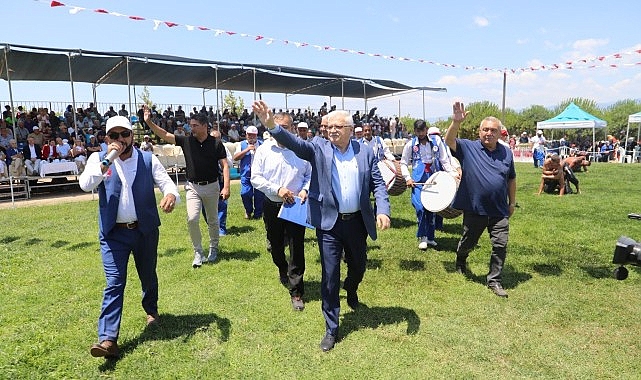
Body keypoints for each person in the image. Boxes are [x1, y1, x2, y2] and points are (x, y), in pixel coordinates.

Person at [252, 100, 391, 352]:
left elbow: (378, 183)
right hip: (330, 224)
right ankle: (331, 327)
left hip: (357, 222)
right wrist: (270, 124)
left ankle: (351, 287)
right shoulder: (319, 148)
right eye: (330, 127)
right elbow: (295, 143)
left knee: (358, 266)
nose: (333, 130)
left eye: (339, 126)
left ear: (350, 128)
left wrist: (382, 209)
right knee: (329, 276)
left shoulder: (365, 151)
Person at [79, 115, 180, 360]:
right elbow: (85, 185)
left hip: (145, 230)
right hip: (114, 234)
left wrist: (171, 195)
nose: (120, 140)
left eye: (124, 134)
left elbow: (166, 182)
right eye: (114, 136)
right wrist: (106, 161)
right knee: (114, 282)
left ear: (132, 136)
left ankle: (152, 311)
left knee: (148, 273)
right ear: (106, 138)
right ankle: (108, 339)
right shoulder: (98, 159)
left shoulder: (147, 158)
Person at [444, 102, 516, 298]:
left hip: (499, 209)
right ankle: (461, 259)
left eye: (493, 130)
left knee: (500, 245)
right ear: (479, 131)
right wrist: (455, 123)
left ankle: (494, 280)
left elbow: (511, 178)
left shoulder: (506, 153)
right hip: (475, 208)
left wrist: (511, 203)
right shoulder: (468, 148)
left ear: (499, 133)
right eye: (485, 129)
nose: (488, 133)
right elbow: (449, 140)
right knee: (468, 241)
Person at [144, 106, 230, 268]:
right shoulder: (186, 141)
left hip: (212, 186)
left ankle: (213, 248)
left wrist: (226, 187)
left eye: (195, 125)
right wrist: (149, 122)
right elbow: (165, 134)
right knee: (192, 219)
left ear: (205, 126)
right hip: (193, 187)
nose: (192, 128)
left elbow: (225, 165)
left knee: (213, 220)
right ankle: (198, 252)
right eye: (191, 125)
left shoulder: (217, 143)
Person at [251, 112, 312, 311]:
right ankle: (282, 268)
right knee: (276, 247)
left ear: (292, 128)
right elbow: (256, 178)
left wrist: (304, 189)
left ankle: (296, 291)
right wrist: (277, 189)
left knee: (297, 248)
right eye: (278, 127)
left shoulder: (301, 150)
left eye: (286, 127)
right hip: (272, 204)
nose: (281, 131)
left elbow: (310, 175)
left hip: (295, 205)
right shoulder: (264, 150)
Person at [400, 122, 457, 249]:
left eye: (422, 130)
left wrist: (452, 173)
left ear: (426, 130)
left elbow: (444, 160)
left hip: (434, 177)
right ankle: (422, 236)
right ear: (415, 131)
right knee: (420, 207)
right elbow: (403, 162)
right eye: (417, 131)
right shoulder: (410, 144)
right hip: (418, 179)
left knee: (432, 208)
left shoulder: (436, 141)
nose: (420, 134)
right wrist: (408, 178)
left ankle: (430, 237)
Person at [233, 125, 264, 219]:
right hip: (246, 174)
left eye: (253, 135)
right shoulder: (241, 144)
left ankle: (258, 214)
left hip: (259, 174)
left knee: (259, 195)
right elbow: (235, 158)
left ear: (256, 135)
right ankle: (248, 210)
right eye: (249, 135)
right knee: (245, 193)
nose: (251, 137)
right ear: (246, 135)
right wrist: (247, 149)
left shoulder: (262, 145)